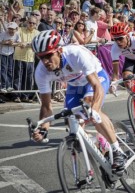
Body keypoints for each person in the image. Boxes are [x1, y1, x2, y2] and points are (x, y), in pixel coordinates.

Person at [31, 30, 126, 175]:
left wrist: (94, 109)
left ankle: (117, 150)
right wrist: (43, 128)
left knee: (91, 107)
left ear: (59, 50)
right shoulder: (41, 72)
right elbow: (46, 106)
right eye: (41, 58)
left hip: (96, 77)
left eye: (48, 56)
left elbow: (96, 86)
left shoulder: (75, 54)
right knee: (72, 123)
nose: (45, 62)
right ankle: (101, 147)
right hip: (74, 85)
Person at [12, 16, 39, 103]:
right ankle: (16, 96)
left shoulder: (37, 33)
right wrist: (20, 43)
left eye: (33, 23)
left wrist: (26, 44)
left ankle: (25, 96)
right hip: (19, 57)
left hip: (30, 59)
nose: (31, 24)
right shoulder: (20, 30)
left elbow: (36, 44)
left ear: (36, 24)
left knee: (28, 79)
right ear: (27, 22)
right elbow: (14, 38)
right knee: (18, 78)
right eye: (30, 22)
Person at [0, 22, 21, 94]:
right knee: (3, 70)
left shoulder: (17, 35)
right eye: (10, 29)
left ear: (16, 29)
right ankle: (3, 86)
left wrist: (13, 43)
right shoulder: (3, 33)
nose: (11, 31)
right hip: (3, 53)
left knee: (9, 69)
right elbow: (1, 41)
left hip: (11, 54)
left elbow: (19, 43)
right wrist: (7, 42)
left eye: (13, 29)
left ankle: (8, 86)